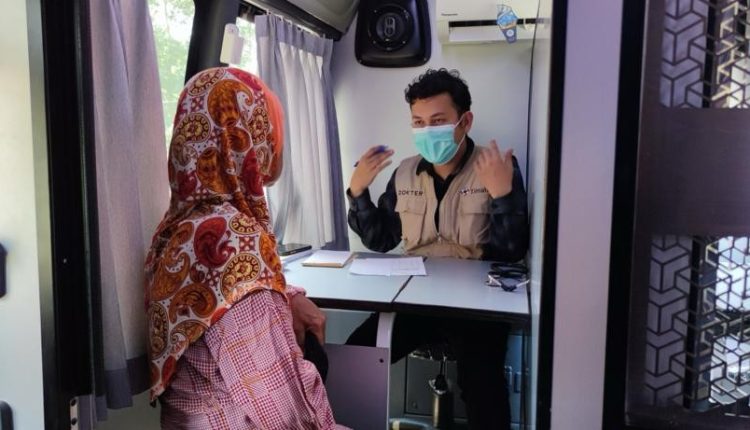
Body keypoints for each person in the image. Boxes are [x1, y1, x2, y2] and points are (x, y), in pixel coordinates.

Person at [144, 67, 343, 429]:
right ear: (252, 137)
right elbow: (284, 416)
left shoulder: (177, 228)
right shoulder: (236, 241)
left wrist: (288, 295)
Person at [346, 68, 529, 429]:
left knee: (483, 387)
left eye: (438, 121)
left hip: (476, 307)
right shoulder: (404, 172)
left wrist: (503, 196)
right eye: (419, 122)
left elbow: (510, 252)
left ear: (465, 122)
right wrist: (358, 191)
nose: (427, 131)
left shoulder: (497, 168)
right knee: (355, 355)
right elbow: (381, 240)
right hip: (416, 299)